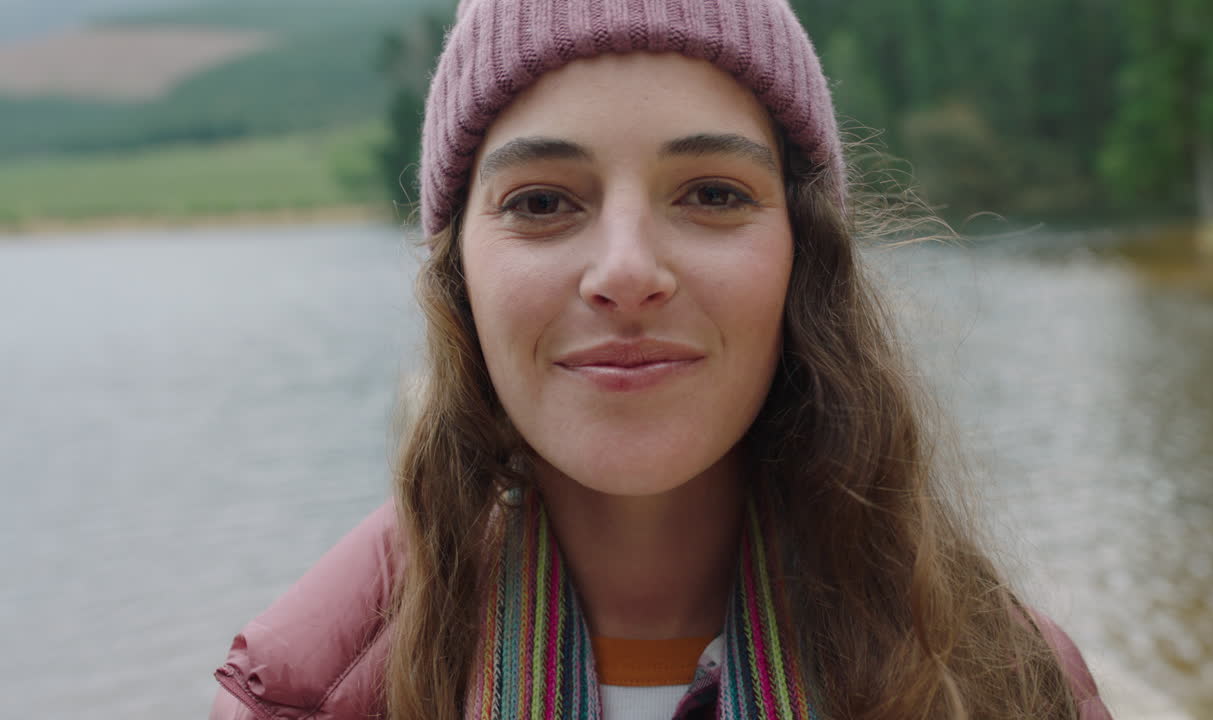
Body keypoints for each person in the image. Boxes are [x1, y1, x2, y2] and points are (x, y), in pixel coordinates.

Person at [210, 1, 1114, 718]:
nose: (627, 271)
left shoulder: (1013, 687)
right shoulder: (302, 698)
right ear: (458, 278)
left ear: (807, 258)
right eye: (541, 203)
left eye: (713, 193)